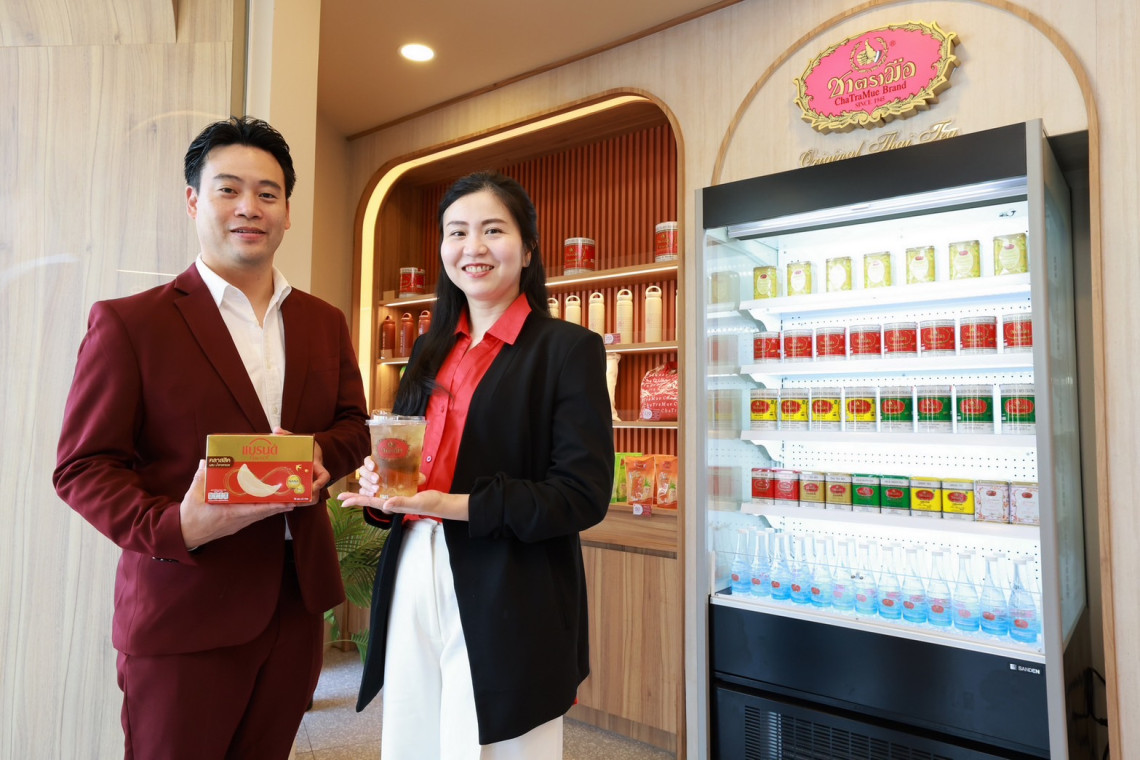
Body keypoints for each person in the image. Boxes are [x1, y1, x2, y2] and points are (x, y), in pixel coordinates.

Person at [53, 116, 370, 760]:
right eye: (228, 189)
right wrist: (176, 526)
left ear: (287, 212)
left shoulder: (324, 321)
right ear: (194, 201)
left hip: (295, 604)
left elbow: (353, 425)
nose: (249, 207)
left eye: (268, 193)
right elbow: (83, 467)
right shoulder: (131, 324)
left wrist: (321, 453)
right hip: (184, 607)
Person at [338, 171, 614, 759]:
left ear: (528, 249)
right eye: (457, 232)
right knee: (413, 739)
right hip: (414, 565)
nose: (474, 247)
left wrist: (454, 505)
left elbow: (582, 494)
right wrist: (384, 491)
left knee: (498, 744)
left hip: (511, 582)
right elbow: (411, 463)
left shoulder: (568, 349)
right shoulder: (428, 349)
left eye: (493, 230)